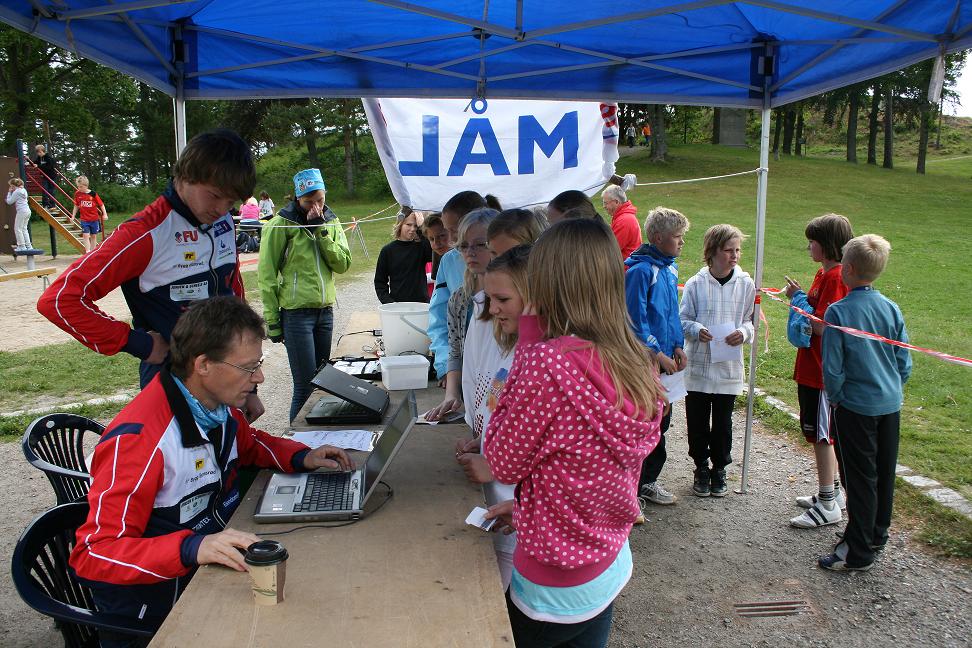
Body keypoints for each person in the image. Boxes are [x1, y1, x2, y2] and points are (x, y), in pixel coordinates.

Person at [69, 297, 353, 646]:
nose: (260, 377)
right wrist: (191, 549)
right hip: (157, 612)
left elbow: (249, 443)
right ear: (203, 364)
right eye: (249, 368)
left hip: (209, 577)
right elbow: (94, 554)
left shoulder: (214, 406)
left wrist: (301, 457)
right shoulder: (139, 442)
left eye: (259, 364)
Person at [482, 218, 664, 648]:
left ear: (546, 283)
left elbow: (503, 460)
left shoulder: (547, 361)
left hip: (552, 586)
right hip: (606, 562)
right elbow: (582, 464)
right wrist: (531, 510)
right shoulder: (633, 356)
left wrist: (529, 336)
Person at [36, 129, 266, 422]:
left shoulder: (223, 222)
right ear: (185, 176)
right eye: (215, 196)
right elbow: (58, 300)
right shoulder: (144, 232)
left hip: (226, 381)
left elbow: (233, 292)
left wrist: (248, 388)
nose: (222, 209)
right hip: (174, 383)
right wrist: (138, 344)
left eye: (231, 201)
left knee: (232, 464)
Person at [818, 234, 911, 572]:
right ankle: (876, 535)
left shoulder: (839, 312)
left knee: (859, 477)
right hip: (889, 403)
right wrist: (892, 386)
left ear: (850, 269)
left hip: (856, 407)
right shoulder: (891, 307)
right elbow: (904, 358)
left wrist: (838, 397)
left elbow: (833, 367)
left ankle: (858, 549)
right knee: (883, 473)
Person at [453, 245, 532, 589]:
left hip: (520, 513)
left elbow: (553, 454)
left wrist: (495, 466)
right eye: (489, 297)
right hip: (500, 504)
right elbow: (496, 404)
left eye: (502, 299)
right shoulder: (508, 346)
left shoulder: (540, 363)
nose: (492, 308)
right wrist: (484, 440)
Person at [257, 168, 352, 422]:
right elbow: (266, 275)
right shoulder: (280, 225)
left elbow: (342, 264)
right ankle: (297, 447)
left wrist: (321, 230)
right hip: (296, 315)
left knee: (323, 381)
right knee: (304, 386)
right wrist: (273, 322)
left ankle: (317, 438)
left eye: (320, 200)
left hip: (325, 312)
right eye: (309, 202)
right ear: (298, 199)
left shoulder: (330, 220)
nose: (316, 206)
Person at [784, 213, 854, 529]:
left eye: (812, 241)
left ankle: (827, 504)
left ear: (826, 245)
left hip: (822, 372)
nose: (808, 246)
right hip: (811, 367)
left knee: (823, 435)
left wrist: (800, 307)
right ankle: (833, 491)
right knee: (816, 433)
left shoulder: (836, 279)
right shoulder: (822, 275)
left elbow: (827, 326)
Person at [679, 224, 755, 497]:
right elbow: (683, 318)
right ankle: (700, 464)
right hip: (699, 363)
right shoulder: (696, 284)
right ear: (712, 252)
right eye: (728, 250)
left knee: (723, 422)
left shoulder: (745, 284)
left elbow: (749, 321)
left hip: (727, 366)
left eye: (737, 250)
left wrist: (743, 333)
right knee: (697, 420)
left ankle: (720, 467)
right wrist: (697, 330)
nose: (734, 255)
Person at [624, 206, 690, 507]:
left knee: (662, 423)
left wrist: (677, 345)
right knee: (641, 424)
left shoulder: (670, 268)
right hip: (643, 363)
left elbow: (671, 313)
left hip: (665, 362)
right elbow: (635, 320)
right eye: (677, 237)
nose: (681, 243)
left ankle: (647, 481)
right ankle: (630, 488)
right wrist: (657, 353)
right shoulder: (640, 271)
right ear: (658, 237)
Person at [426, 207, 498, 420]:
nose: (470, 252)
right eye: (464, 246)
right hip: (477, 412)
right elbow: (456, 351)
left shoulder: (511, 300)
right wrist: (452, 394)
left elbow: (504, 368)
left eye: (480, 244)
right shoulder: (458, 300)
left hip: (497, 411)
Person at [374, 211, 432, 304]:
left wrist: (422, 227)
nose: (412, 229)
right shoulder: (388, 251)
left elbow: (433, 253)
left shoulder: (421, 247)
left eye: (415, 226)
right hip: (397, 305)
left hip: (421, 304)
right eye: (408, 224)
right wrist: (389, 302)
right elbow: (380, 282)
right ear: (400, 224)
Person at [601, 185, 642, 262]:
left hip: (625, 269)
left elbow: (610, 250)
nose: (604, 206)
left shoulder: (624, 221)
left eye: (606, 203)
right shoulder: (623, 217)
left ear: (616, 202)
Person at [70, 175, 109, 253]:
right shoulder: (77, 194)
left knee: (93, 236)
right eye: (78, 186)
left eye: (80, 187)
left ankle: (93, 251)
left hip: (94, 219)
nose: (79, 188)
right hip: (84, 219)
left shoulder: (93, 194)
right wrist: (73, 216)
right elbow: (76, 205)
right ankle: (87, 251)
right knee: (85, 235)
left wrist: (105, 214)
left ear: (86, 186)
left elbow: (101, 204)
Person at [5, 178, 32, 251]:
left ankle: (21, 246)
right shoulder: (23, 190)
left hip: (21, 211)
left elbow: (9, 201)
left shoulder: (16, 192)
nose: (11, 187)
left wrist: (9, 192)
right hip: (27, 211)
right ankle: (28, 246)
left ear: (14, 185)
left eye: (11, 186)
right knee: (24, 229)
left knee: (17, 229)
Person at [29, 144, 57, 208]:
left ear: (42, 151)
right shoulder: (39, 158)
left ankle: (52, 205)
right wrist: (29, 160)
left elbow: (49, 167)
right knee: (44, 190)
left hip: (51, 176)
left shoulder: (48, 158)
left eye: (39, 152)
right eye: (37, 153)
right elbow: (34, 163)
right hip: (45, 177)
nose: (39, 154)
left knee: (51, 191)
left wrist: (38, 166)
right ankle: (45, 204)